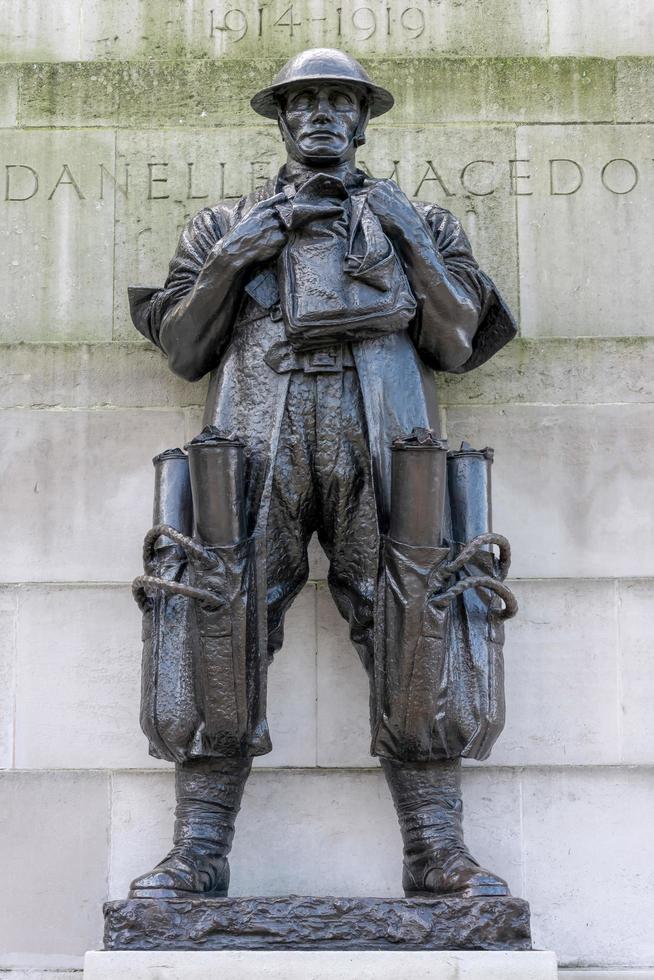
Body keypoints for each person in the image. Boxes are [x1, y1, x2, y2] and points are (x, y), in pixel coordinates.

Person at [128, 48, 517, 901]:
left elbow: (455, 344)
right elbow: (186, 351)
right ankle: (198, 853)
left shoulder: (423, 221)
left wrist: (409, 233)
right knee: (214, 613)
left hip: (382, 434)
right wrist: (236, 255)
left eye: (340, 102)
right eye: (304, 102)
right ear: (280, 117)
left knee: (419, 615)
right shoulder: (222, 222)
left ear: (364, 119)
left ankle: (436, 850)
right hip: (254, 436)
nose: (322, 116)